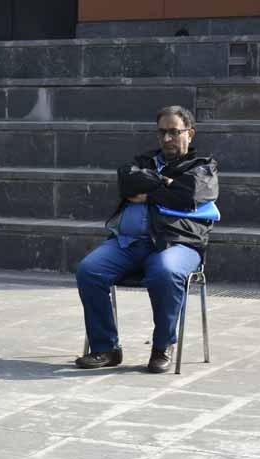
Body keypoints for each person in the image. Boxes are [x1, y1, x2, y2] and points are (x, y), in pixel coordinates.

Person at [75, 105, 218, 374]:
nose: (167, 139)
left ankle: (162, 347)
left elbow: (189, 195)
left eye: (174, 132)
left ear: (190, 134)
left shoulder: (203, 167)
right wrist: (167, 183)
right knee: (89, 270)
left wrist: (150, 192)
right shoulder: (144, 161)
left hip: (178, 243)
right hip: (129, 243)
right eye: (162, 132)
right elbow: (127, 181)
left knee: (165, 272)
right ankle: (106, 348)